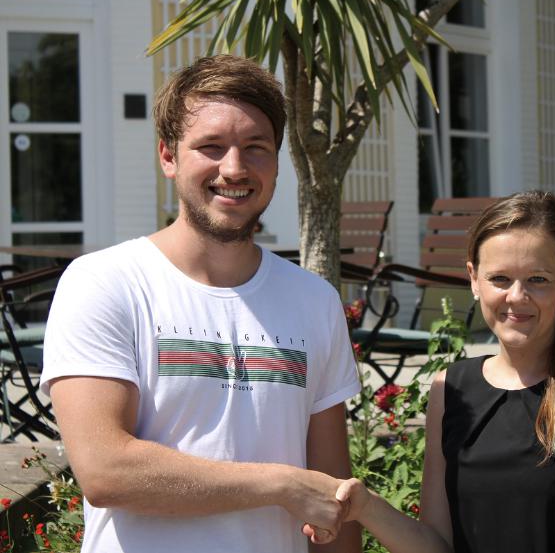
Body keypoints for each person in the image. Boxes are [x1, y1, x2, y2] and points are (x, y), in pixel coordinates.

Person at [41, 55, 362, 553]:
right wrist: (281, 484)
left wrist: (308, 496)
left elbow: (332, 501)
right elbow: (105, 471)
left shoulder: (314, 300)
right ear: (168, 156)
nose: (234, 168)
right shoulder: (105, 283)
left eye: (256, 148)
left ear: (277, 161)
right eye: (211, 147)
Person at [336, 190, 555, 553]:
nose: (517, 296)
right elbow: (438, 545)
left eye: (538, 279)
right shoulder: (450, 389)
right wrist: (366, 508)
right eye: (500, 278)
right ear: (474, 279)